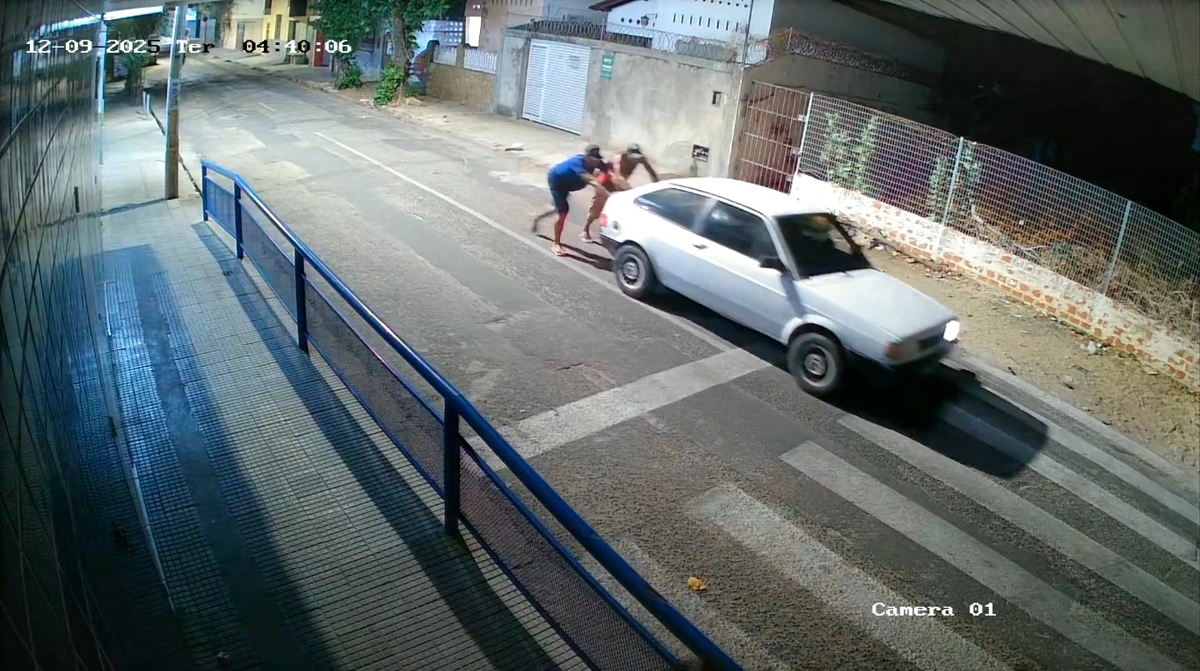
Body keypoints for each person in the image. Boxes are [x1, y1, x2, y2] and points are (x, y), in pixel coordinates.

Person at [532, 145, 610, 256]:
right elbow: (591, 180)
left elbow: (607, 171)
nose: (597, 162)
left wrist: (604, 179)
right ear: (587, 158)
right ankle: (556, 244)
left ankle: (538, 217)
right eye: (594, 159)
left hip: (569, 184)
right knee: (563, 211)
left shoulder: (597, 163)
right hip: (557, 182)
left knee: (556, 208)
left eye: (598, 159)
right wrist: (604, 192)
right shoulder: (577, 163)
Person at [582, 143, 660, 243]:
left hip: (621, 184)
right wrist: (631, 191)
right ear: (627, 154)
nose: (635, 160)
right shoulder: (618, 158)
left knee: (620, 208)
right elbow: (618, 177)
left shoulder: (641, 159)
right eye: (633, 157)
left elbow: (651, 173)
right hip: (607, 181)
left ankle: (609, 231)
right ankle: (585, 230)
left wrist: (658, 185)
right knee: (598, 206)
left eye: (636, 158)